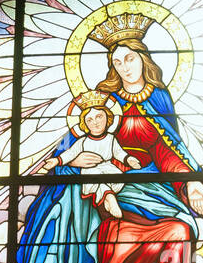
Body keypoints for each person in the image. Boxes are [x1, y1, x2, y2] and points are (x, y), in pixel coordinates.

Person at [15, 14, 203, 263]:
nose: (124, 67)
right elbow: (73, 143)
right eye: (116, 62)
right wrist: (74, 163)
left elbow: (168, 149)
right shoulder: (103, 101)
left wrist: (191, 182)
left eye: (129, 58)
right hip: (108, 181)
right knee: (119, 236)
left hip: (153, 183)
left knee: (181, 231)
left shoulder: (160, 99)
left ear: (144, 58)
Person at [34, 91, 142, 220]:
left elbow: (119, 153)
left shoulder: (111, 139)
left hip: (109, 169)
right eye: (89, 120)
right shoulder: (82, 141)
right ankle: (109, 199)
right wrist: (56, 161)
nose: (95, 122)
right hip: (91, 171)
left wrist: (129, 160)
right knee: (98, 182)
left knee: (114, 180)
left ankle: (109, 198)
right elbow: (70, 153)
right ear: (84, 124)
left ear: (108, 118)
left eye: (99, 117)